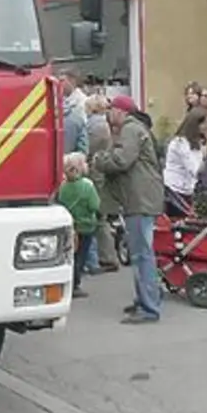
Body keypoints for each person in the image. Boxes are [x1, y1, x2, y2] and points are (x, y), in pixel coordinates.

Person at [91, 95, 166, 324]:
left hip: (139, 199)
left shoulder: (130, 130)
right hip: (141, 197)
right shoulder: (134, 128)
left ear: (121, 111)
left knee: (142, 254)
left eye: (110, 109)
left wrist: (99, 160)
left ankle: (149, 307)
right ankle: (146, 298)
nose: (108, 114)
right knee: (143, 253)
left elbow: (122, 160)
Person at [84, 95, 121, 274]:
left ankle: (106, 257)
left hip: (96, 174)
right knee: (100, 217)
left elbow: (88, 149)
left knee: (99, 217)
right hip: (100, 174)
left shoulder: (95, 126)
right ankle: (104, 257)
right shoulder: (102, 124)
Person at [56, 153, 100, 299]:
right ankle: (75, 284)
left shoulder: (62, 186)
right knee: (80, 256)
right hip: (85, 226)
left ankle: (67, 282)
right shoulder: (87, 186)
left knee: (70, 255)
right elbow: (95, 205)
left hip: (70, 225)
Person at [163, 108, 207, 218]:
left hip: (187, 189)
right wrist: (205, 157)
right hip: (174, 189)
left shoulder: (196, 142)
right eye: (204, 123)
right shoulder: (180, 143)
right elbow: (194, 170)